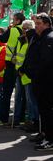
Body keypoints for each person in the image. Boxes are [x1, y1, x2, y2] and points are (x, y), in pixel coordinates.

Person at [29, 13, 53, 151]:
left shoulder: (48, 39)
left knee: (47, 111)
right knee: (44, 111)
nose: (36, 26)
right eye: (36, 23)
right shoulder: (40, 38)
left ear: (47, 24)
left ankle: (50, 139)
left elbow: (45, 62)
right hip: (40, 81)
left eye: (39, 24)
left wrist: (34, 73)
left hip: (46, 82)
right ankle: (46, 135)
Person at [0, 12, 25, 124]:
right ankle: (20, 118)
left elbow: (2, 39)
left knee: (7, 93)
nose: (12, 21)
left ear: (18, 21)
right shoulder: (26, 30)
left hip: (10, 65)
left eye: (13, 19)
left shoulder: (13, 30)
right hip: (22, 65)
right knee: (21, 95)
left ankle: (4, 118)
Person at [16, 20, 39, 133]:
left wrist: (23, 69)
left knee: (32, 101)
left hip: (29, 75)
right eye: (23, 28)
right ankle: (30, 120)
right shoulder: (22, 40)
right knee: (28, 100)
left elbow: (29, 59)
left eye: (25, 28)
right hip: (21, 74)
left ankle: (34, 122)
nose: (23, 31)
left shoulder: (32, 40)